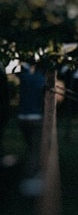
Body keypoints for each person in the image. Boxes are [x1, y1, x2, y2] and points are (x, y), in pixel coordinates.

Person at [17, 63, 45, 195]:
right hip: (35, 117)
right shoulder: (39, 79)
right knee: (35, 149)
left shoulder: (24, 78)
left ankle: (30, 172)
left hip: (22, 117)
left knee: (30, 146)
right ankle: (31, 178)